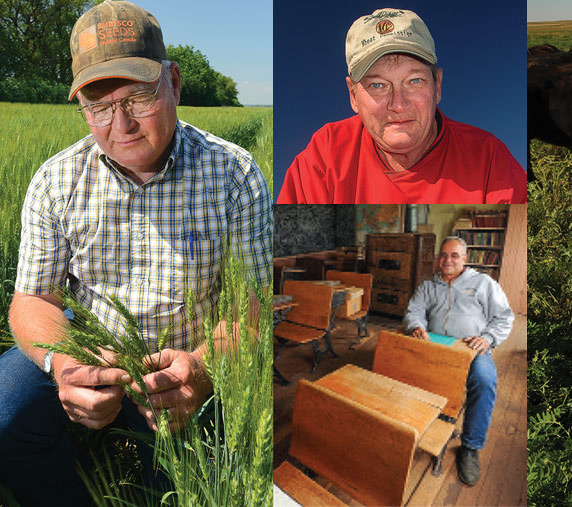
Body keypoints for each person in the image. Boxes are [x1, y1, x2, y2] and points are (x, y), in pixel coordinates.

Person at [0, 1, 272, 504]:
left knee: (175, 487)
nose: (120, 125)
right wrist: (65, 363)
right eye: (98, 106)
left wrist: (205, 369)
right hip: (89, 352)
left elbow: (249, 309)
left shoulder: (234, 176)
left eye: (138, 98)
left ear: (173, 81)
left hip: (185, 364)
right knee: (5, 415)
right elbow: (32, 299)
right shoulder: (55, 181)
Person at [276, 7, 527, 204]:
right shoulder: (325, 157)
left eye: (414, 81)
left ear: (437, 85)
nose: (398, 104)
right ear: (353, 95)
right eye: (378, 85)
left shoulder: (489, 159)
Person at [404, 236, 515, 486]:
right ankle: (411, 427)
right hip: (432, 346)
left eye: (454, 255)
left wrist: (487, 338)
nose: (447, 260)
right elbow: (414, 311)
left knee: (485, 382)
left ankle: (470, 447)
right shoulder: (428, 285)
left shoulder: (483, 283)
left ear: (465, 258)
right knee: (402, 368)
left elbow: (505, 317)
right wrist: (416, 327)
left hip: (470, 348)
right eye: (443, 255)